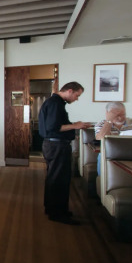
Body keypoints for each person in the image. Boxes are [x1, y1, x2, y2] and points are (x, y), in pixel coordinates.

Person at [38, 81, 91, 225]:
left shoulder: (55, 103)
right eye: (77, 95)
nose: (77, 99)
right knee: (59, 180)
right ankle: (57, 213)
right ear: (69, 91)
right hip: (57, 146)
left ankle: (53, 209)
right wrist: (75, 126)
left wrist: (74, 127)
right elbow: (54, 127)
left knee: (54, 178)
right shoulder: (55, 104)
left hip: (54, 145)